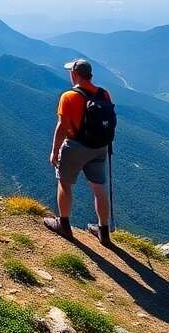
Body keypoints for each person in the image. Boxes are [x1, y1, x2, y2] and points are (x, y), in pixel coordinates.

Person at [44, 58, 116, 245]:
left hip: (75, 146)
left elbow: (62, 127)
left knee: (65, 183)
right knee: (99, 188)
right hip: (100, 147)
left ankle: (64, 225)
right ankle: (103, 231)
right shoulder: (104, 94)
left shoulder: (69, 96)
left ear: (74, 74)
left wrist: (55, 151)